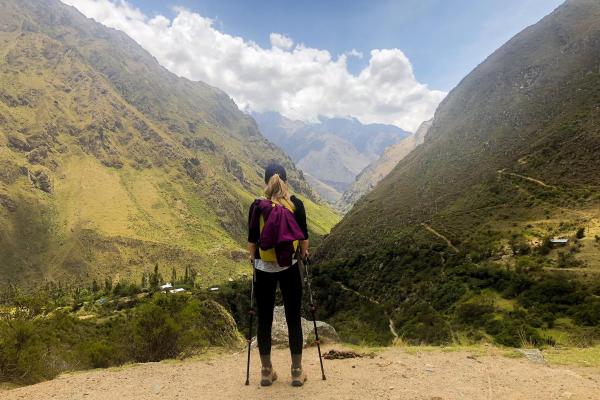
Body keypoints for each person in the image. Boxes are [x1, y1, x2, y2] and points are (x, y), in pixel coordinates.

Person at [247, 163, 309, 387]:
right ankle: (296, 371)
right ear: (286, 181)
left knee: (264, 319)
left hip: (264, 269)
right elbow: (303, 239)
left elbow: (252, 239)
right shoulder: (296, 204)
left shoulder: (258, 206)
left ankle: (266, 371)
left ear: (266, 182)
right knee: (294, 318)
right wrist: (303, 254)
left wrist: (253, 258)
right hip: (290, 267)